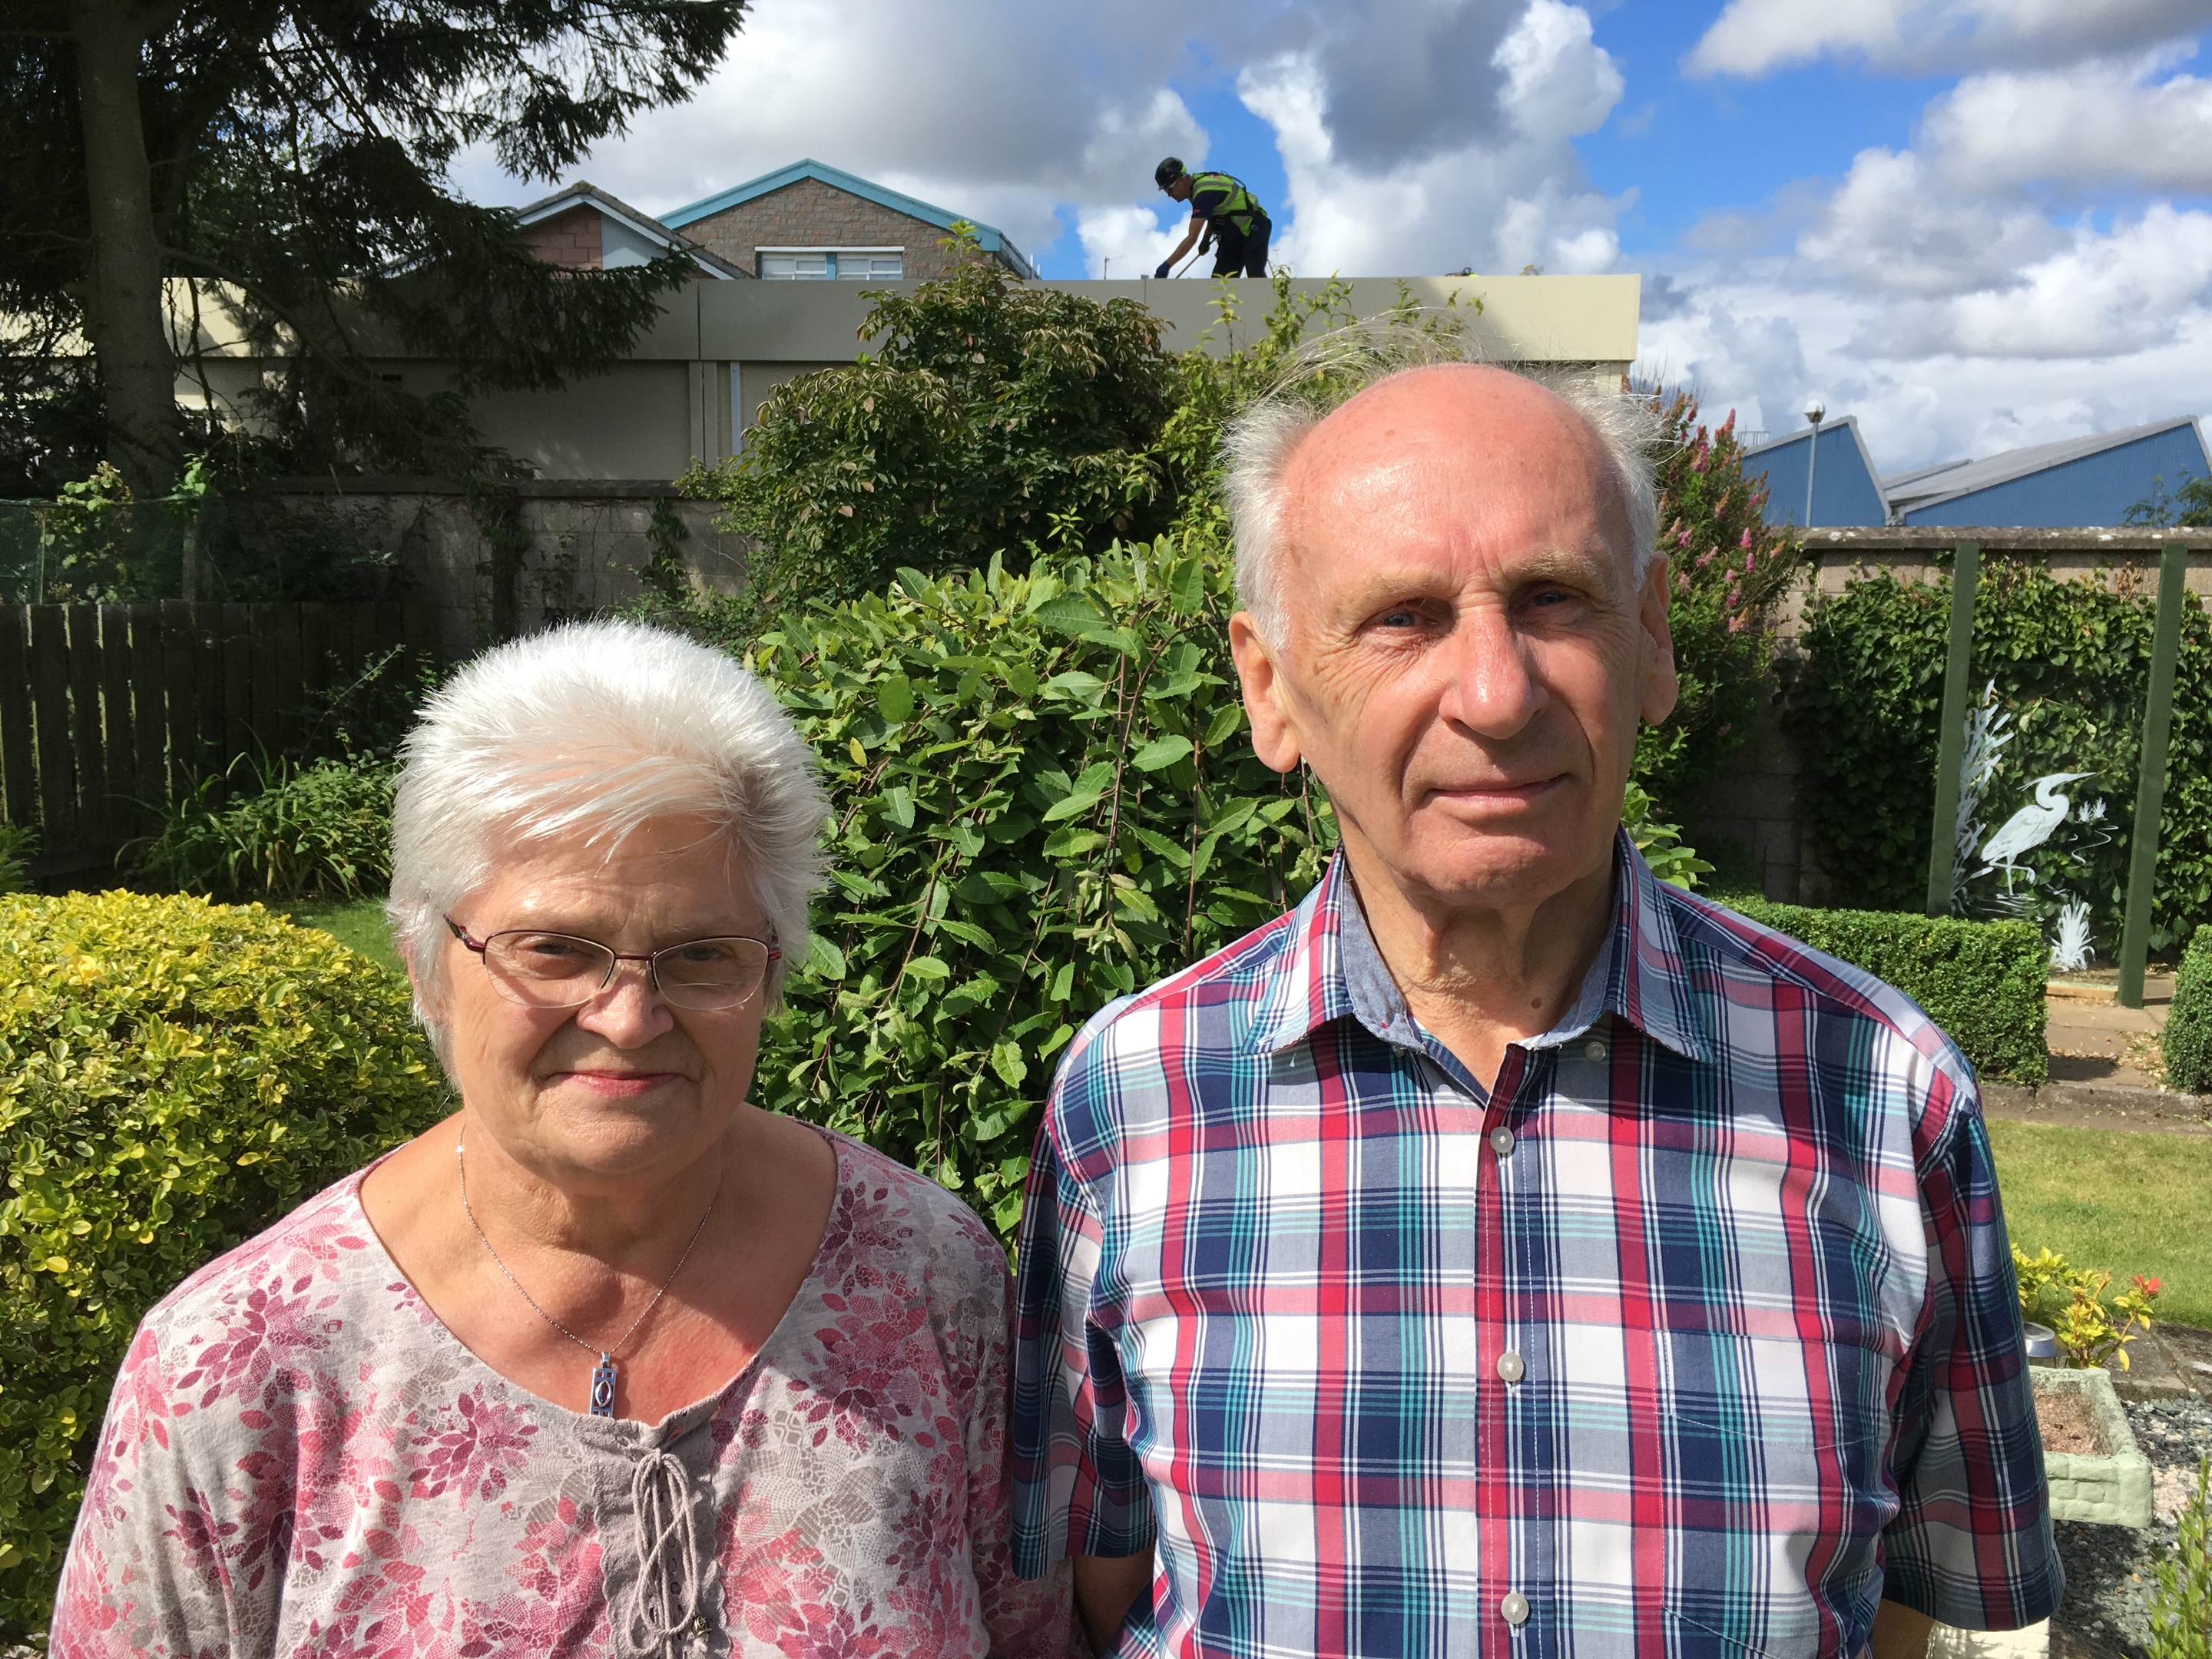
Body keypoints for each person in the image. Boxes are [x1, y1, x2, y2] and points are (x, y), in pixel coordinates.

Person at [1008, 333, 2061, 1657]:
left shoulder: (1881, 1091)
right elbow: (1099, 1580)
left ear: (1656, 642)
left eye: (1556, 599)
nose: (1498, 695)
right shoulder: (1129, 1101)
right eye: (1402, 618)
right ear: (1268, 688)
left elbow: (1918, 1596)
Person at [51, 620, 1067, 1658]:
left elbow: (1034, 1634)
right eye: (553, 949)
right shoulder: (243, 1369)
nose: (629, 1018)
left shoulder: (928, 1277)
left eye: (701, 953)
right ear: (423, 964)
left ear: (771, 969)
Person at [1151, 157, 1270, 279]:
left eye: (1169, 188)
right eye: (1166, 191)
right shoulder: (1196, 184)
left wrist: (1167, 265)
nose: (1169, 194)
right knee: (1220, 281)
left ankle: (1271, 297)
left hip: (1254, 227)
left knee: (1255, 272)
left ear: (1181, 179)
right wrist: (1206, 237)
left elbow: (1192, 238)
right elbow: (1214, 214)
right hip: (1234, 233)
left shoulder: (1204, 192)